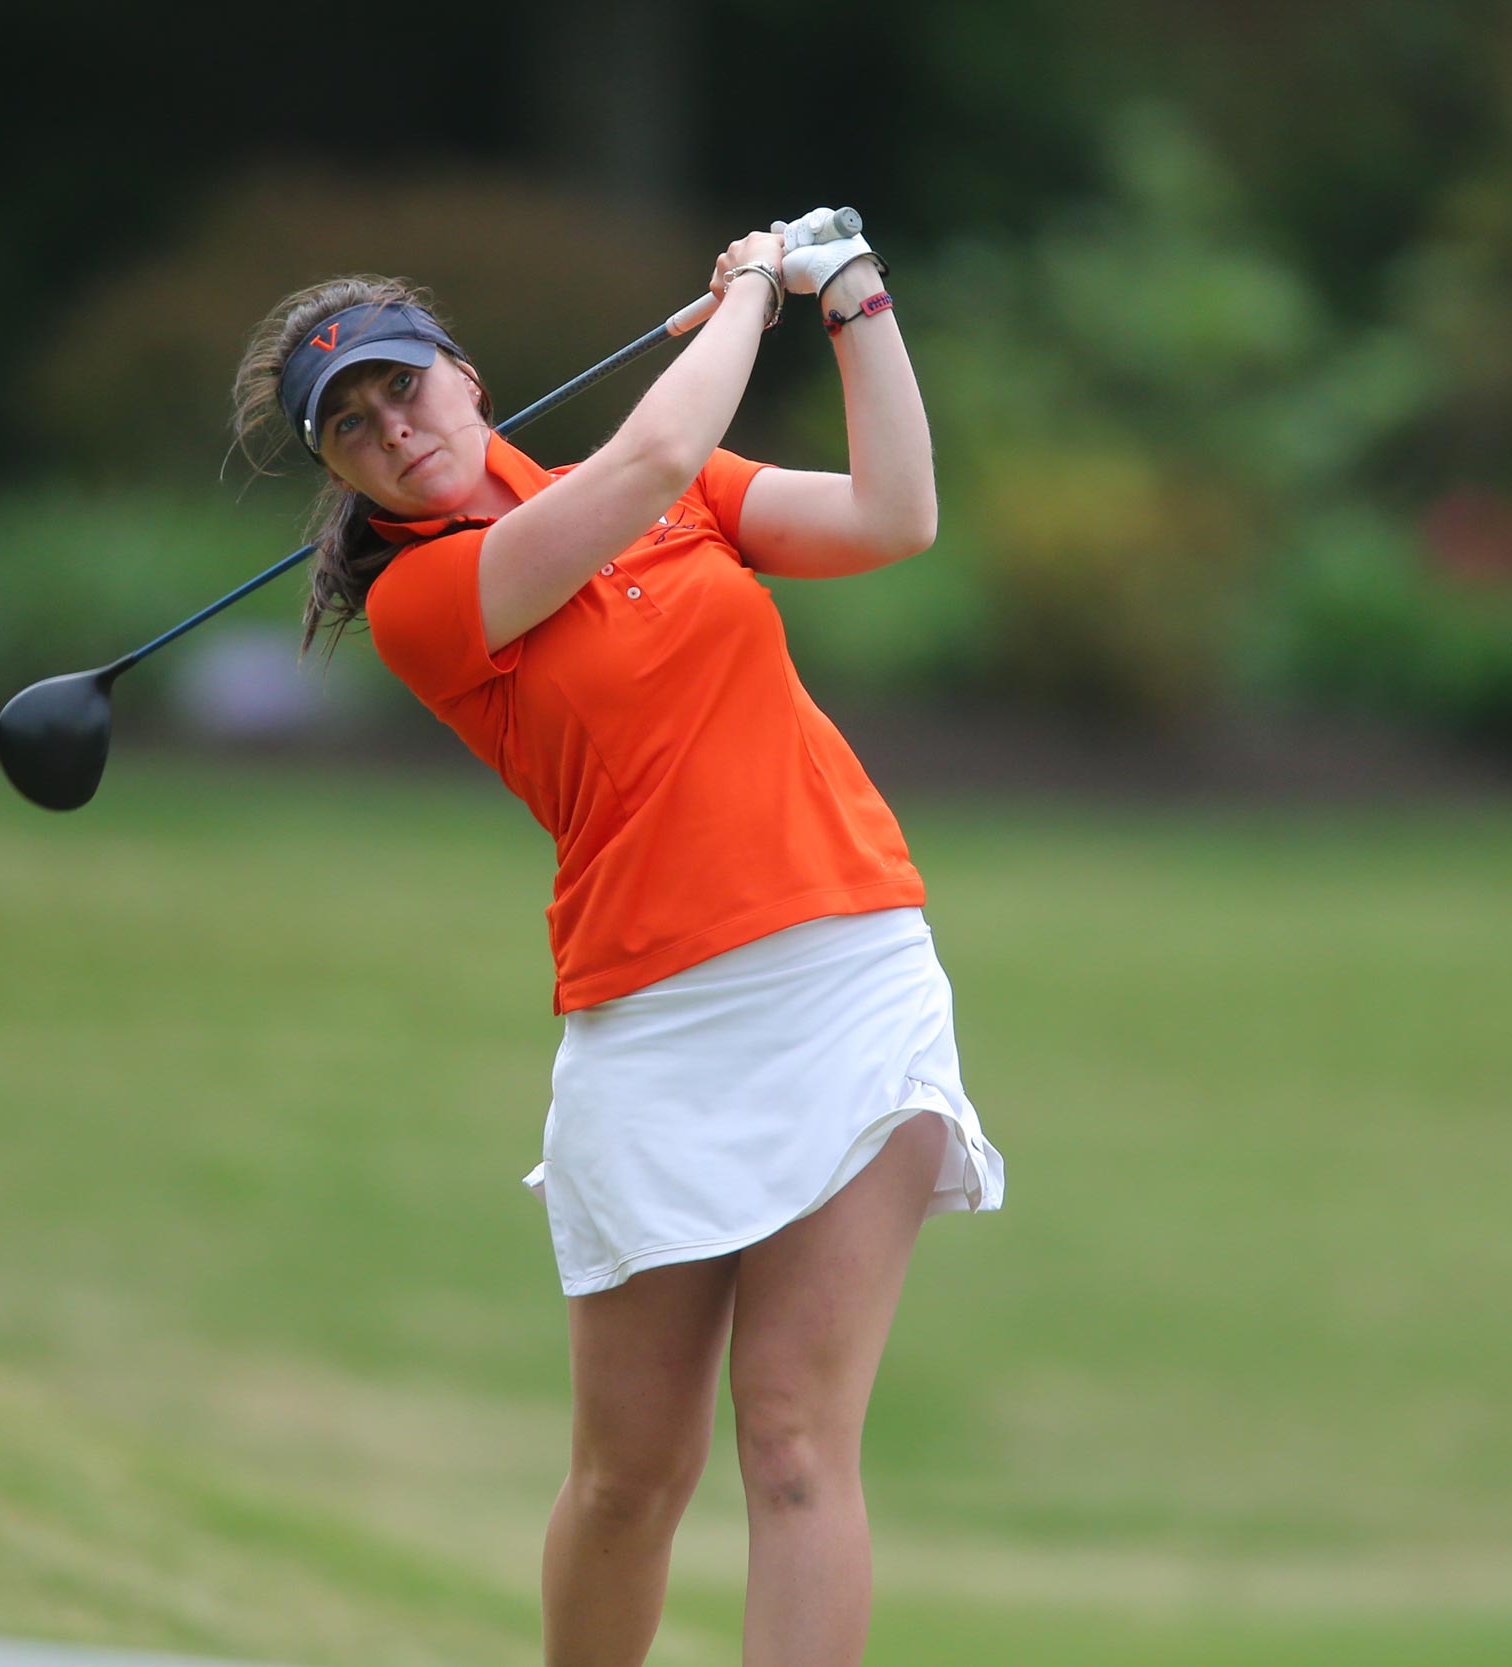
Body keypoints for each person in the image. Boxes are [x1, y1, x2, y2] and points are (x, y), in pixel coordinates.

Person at [229, 214, 1006, 1667]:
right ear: (336, 469)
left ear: (465, 378)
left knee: (792, 1445)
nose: (394, 429)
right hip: (654, 1023)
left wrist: (851, 301)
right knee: (630, 1478)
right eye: (352, 426)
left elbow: (897, 517)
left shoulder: (682, 489)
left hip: (849, 974)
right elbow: (647, 461)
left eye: (405, 387)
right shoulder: (425, 604)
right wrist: (744, 304)